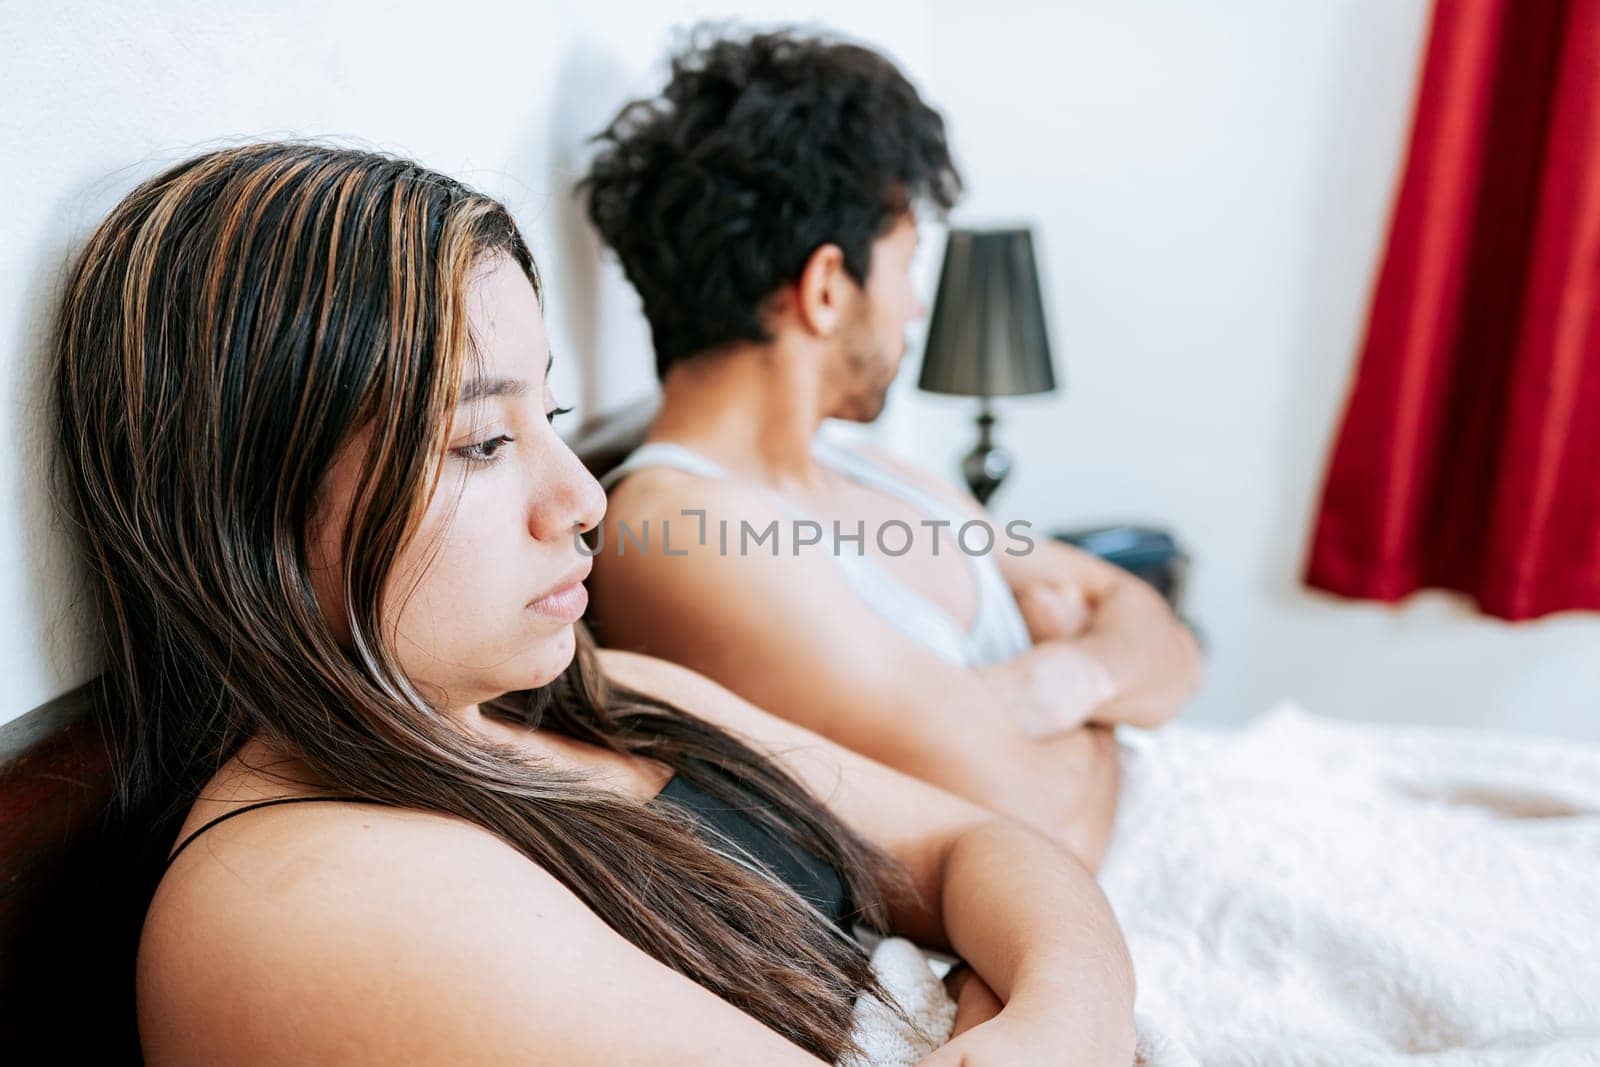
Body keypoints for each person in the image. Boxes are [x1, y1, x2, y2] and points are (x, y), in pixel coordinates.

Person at [52, 142, 1136, 1064]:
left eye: (553, 413)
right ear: (252, 507)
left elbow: (979, 846)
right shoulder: (307, 899)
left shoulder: (596, 694)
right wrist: (1020, 999)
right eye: (482, 440)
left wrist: (1055, 1022)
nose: (580, 498)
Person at [580, 30, 1203, 870]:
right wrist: (1099, 691)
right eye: (909, 267)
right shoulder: (684, 530)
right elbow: (1039, 836)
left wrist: (1067, 681)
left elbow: (1166, 637)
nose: (914, 310)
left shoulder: (877, 470)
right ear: (828, 287)